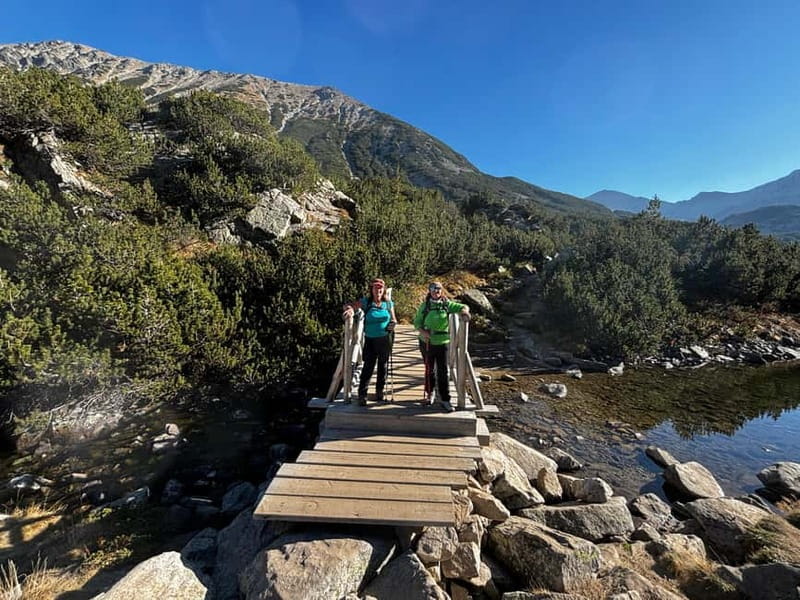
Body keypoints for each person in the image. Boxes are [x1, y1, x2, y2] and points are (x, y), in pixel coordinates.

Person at [413, 282, 469, 412]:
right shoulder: (425, 305)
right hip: (427, 341)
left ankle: (445, 399)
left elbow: (462, 306)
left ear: (441, 291)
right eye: (433, 288)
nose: (436, 291)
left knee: (443, 371)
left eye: (438, 289)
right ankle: (429, 394)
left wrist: (465, 312)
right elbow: (416, 322)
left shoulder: (446, 304)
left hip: (443, 342)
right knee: (429, 369)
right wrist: (423, 331)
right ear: (429, 291)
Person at [343, 278, 397, 405]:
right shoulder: (366, 302)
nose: (378, 290)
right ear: (371, 289)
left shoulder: (388, 303)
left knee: (383, 366)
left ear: (383, 290)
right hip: (370, 339)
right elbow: (351, 306)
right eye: (375, 288)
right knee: (368, 367)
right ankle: (362, 395)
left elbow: (394, 318)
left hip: (385, 338)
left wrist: (393, 323)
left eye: (380, 288)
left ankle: (380, 391)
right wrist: (350, 310)